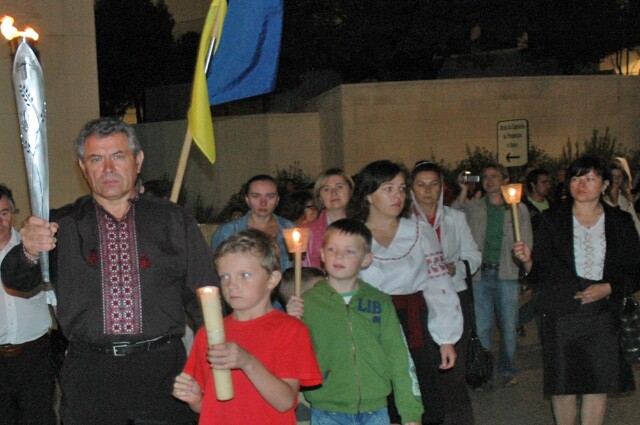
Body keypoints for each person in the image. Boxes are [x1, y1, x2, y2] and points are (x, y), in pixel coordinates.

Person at [1, 118, 217, 425]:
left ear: (138, 161)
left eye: (118, 156)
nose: (108, 168)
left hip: (164, 372)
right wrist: (29, 250)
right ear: (83, 167)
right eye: (96, 159)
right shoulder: (61, 225)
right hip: (91, 374)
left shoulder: (173, 221)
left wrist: (214, 362)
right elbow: (16, 279)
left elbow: (206, 299)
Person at [513, 155, 640, 425]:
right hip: (562, 314)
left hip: (602, 315)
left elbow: (635, 270)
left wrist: (609, 287)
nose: (581, 184)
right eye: (576, 178)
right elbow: (540, 274)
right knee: (563, 386)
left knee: (597, 385)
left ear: (605, 185)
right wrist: (527, 261)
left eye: (590, 178)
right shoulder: (551, 220)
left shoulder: (620, 222)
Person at [350, 160, 462, 425]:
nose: (398, 196)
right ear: (369, 194)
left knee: (421, 394)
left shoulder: (419, 231)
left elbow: (438, 284)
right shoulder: (352, 234)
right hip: (370, 323)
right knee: (379, 398)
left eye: (401, 189)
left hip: (414, 324)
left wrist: (445, 338)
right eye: (388, 189)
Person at [173, 229, 322, 424]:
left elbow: (285, 402)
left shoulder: (290, 330)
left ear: (272, 279)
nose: (232, 285)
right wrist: (195, 399)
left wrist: (247, 362)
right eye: (224, 277)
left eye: (244, 275)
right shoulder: (208, 334)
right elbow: (210, 405)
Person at [286, 218, 423, 424]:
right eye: (332, 249)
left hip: (375, 410)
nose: (339, 256)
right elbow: (292, 355)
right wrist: (290, 323)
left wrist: (411, 413)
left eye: (349, 251)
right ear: (322, 254)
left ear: (366, 259)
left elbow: (399, 357)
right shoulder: (308, 304)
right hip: (327, 410)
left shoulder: (380, 302)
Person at [410, 161, 481, 424]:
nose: (427, 190)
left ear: (441, 187)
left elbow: (473, 256)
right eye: (421, 184)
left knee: (453, 372)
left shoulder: (455, 218)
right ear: (412, 188)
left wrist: (456, 267)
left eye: (433, 184)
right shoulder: (404, 222)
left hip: (454, 297)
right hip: (418, 301)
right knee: (425, 368)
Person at [453, 163, 533, 388]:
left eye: (494, 176)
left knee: (508, 328)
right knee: (482, 328)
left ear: (505, 180)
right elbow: (452, 215)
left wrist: (525, 267)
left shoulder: (517, 209)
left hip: (507, 273)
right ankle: (485, 373)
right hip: (481, 275)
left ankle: (508, 369)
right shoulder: (475, 207)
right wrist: (462, 191)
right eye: (485, 177)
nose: (489, 181)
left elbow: (527, 241)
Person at [0, 184, 57, 425]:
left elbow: (55, 298)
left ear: (13, 213)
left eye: (4, 213)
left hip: (35, 357)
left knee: (40, 418)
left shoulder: (35, 250)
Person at [212, 174, 294, 270]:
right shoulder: (227, 232)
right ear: (247, 199)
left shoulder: (290, 228)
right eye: (256, 196)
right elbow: (217, 268)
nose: (263, 203)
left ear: (277, 200)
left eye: (270, 196)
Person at [302, 168, 354, 269]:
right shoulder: (306, 232)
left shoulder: (364, 226)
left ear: (350, 192)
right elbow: (303, 272)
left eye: (339, 187)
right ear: (320, 197)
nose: (333, 193)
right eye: (326, 189)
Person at [604, 157, 640, 235]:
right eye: (613, 176)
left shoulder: (625, 199)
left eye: (619, 176)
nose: (616, 179)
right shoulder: (602, 198)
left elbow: (634, 221)